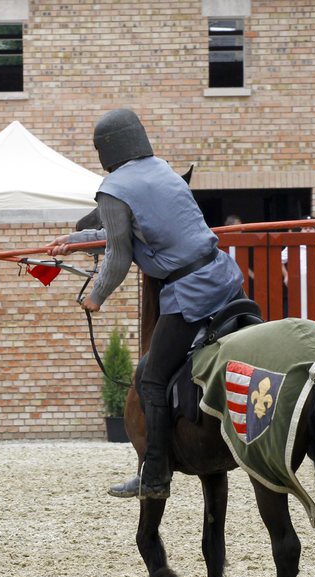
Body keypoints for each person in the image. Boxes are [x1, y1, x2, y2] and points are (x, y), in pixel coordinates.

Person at [50, 108, 244, 500]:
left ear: (105, 149)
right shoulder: (164, 171)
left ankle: (153, 473)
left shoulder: (113, 187)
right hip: (224, 278)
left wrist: (96, 296)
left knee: (151, 378)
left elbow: (120, 256)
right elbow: (125, 232)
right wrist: (75, 240)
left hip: (190, 294)